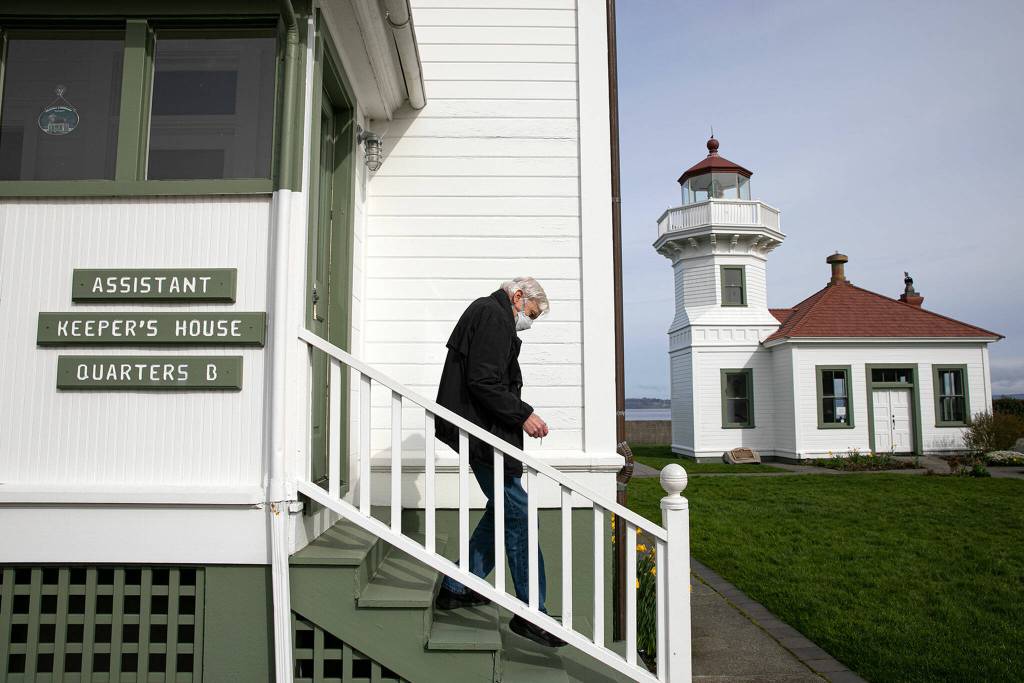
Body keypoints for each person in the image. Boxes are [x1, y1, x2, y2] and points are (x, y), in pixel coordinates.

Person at [433, 277, 566, 648]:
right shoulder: (493, 315)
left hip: (484, 434)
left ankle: (458, 587)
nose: (530, 323)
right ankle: (532, 614)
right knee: (519, 514)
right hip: (483, 435)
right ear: (519, 297)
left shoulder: (488, 313)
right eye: (532, 315)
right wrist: (524, 414)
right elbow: (484, 381)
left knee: (503, 512)